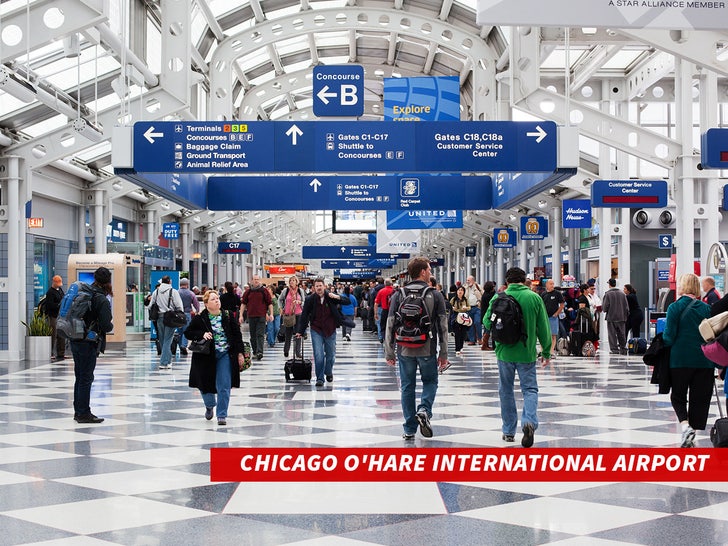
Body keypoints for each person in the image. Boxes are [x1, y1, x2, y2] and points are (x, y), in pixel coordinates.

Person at [483, 267, 551, 447]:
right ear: (523, 280)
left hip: (504, 352)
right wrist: (546, 351)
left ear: (507, 281)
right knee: (529, 389)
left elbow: (486, 322)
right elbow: (543, 327)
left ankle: (508, 431)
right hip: (526, 352)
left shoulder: (498, 297)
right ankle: (529, 421)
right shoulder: (534, 297)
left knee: (505, 390)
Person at [385, 257, 449, 440]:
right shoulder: (434, 294)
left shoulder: (399, 294)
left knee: (407, 386)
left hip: (404, 348)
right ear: (422, 272)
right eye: (429, 269)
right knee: (430, 381)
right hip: (427, 347)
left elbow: (390, 323)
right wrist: (444, 353)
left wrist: (389, 351)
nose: (430, 272)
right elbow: (443, 326)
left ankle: (409, 429)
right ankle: (424, 410)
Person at [662, 273, 714, 447]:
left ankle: (685, 426)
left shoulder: (674, 307)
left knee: (678, 395)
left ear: (682, 286)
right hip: (704, 360)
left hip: (680, 360)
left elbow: (669, 337)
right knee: (700, 397)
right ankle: (694, 432)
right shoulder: (706, 308)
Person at [185, 290, 247, 426]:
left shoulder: (228, 315)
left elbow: (237, 335)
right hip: (205, 356)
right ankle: (209, 405)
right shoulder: (200, 317)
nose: (217, 301)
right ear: (206, 304)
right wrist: (202, 334)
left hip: (225, 354)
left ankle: (222, 414)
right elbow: (188, 333)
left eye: (217, 298)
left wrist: (240, 353)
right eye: (213, 299)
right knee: (204, 385)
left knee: (224, 384)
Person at [72, 267, 113, 424]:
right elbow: (106, 325)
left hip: (75, 338)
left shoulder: (86, 293)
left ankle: (78, 410)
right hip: (89, 342)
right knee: (86, 377)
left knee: (80, 376)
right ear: (108, 281)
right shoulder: (101, 299)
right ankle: (83, 413)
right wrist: (110, 325)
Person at [296, 277, 352, 387]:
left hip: (330, 329)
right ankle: (320, 378)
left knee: (331, 355)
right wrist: (300, 331)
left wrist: (336, 296)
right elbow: (304, 316)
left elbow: (347, 301)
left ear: (324, 286)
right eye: (316, 286)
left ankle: (329, 371)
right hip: (316, 329)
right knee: (318, 355)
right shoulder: (310, 299)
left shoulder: (331, 297)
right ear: (314, 288)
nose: (318, 288)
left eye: (320, 286)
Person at [148, 276, 184, 370]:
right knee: (168, 339)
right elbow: (179, 306)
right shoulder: (173, 291)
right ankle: (164, 362)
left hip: (159, 317)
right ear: (169, 282)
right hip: (170, 317)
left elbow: (150, 305)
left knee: (163, 339)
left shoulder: (156, 292)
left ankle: (168, 361)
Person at [240, 275, 273, 360]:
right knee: (253, 335)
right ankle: (255, 351)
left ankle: (260, 352)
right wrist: (240, 315)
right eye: (255, 279)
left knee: (260, 334)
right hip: (251, 316)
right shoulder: (248, 292)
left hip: (261, 316)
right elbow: (243, 304)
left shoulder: (264, 291)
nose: (256, 281)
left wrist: (271, 314)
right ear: (252, 281)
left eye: (258, 279)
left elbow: (269, 303)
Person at [279, 276, 306, 358]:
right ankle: (286, 350)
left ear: (297, 282)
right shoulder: (286, 290)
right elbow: (280, 299)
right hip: (288, 314)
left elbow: (304, 301)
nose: (292, 282)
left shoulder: (300, 291)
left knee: (298, 333)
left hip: (298, 314)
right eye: (291, 280)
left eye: (294, 280)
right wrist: (281, 308)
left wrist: (300, 302)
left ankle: (298, 352)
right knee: (288, 333)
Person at [602, 278, 630, 355]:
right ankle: (623, 348)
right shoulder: (622, 294)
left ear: (609, 284)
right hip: (622, 317)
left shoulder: (608, 294)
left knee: (612, 334)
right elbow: (627, 307)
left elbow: (604, 308)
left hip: (611, 317)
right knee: (622, 334)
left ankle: (614, 349)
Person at [540, 279, 565, 357]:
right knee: (543, 335)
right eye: (550, 284)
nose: (552, 285)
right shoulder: (543, 294)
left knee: (553, 335)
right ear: (546, 285)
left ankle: (551, 351)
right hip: (544, 317)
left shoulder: (557, 293)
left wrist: (557, 313)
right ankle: (543, 351)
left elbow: (562, 304)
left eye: (553, 284)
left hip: (553, 317)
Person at [45, 275, 66, 361]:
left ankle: (61, 353)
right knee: (53, 334)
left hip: (60, 316)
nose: (59, 285)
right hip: (53, 316)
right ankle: (51, 353)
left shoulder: (60, 290)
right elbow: (49, 305)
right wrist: (59, 305)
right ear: (54, 282)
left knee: (61, 334)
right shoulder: (50, 292)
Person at [177, 278, 200, 357]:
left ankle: (180, 346)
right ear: (187, 284)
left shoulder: (176, 293)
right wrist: (197, 310)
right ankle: (183, 345)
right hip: (187, 313)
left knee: (179, 332)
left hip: (178, 314)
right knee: (186, 331)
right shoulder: (191, 293)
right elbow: (196, 303)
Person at [450, 285, 471, 356]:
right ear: (457, 291)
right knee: (457, 333)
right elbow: (450, 306)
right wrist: (453, 308)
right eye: (459, 290)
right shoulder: (454, 299)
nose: (460, 291)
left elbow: (469, 307)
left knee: (463, 333)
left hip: (463, 317)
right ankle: (457, 348)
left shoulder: (465, 299)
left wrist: (466, 308)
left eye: (462, 290)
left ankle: (461, 346)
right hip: (456, 316)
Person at [374, 279, 395, 343]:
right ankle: (392, 340)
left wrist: (375, 313)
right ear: (391, 284)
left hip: (384, 311)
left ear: (385, 284)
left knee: (383, 326)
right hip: (393, 312)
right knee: (393, 326)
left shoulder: (381, 291)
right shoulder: (394, 291)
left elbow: (376, 303)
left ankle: (384, 338)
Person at [464, 275, 483, 345]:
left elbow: (482, 295)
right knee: (469, 324)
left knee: (477, 322)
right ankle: (472, 339)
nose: (467, 282)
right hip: (468, 308)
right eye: (467, 280)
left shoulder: (478, 287)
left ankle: (480, 338)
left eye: (468, 280)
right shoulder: (465, 288)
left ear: (473, 280)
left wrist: (480, 303)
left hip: (477, 308)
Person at [480, 281, 497, 350]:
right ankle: (484, 345)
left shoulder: (485, 294)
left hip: (484, 314)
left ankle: (485, 345)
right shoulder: (489, 296)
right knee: (487, 330)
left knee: (486, 330)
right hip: (488, 315)